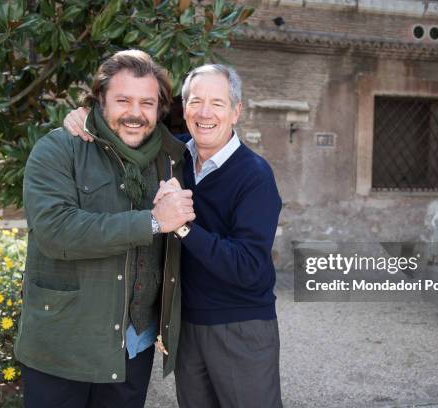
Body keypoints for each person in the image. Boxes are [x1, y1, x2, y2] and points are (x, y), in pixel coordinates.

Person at [64, 64, 283, 408]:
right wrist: (84, 118)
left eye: (218, 103)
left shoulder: (254, 176)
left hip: (240, 326)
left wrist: (181, 227)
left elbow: (249, 266)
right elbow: (126, 131)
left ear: (236, 111)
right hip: (186, 326)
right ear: (184, 108)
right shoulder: (173, 156)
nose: (205, 113)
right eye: (195, 101)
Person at [15, 49, 195, 408]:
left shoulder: (172, 158)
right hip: (64, 344)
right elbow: (55, 231)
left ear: (160, 107)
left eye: (147, 102)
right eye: (122, 100)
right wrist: (153, 222)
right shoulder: (58, 149)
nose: (135, 113)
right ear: (99, 99)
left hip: (134, 344)